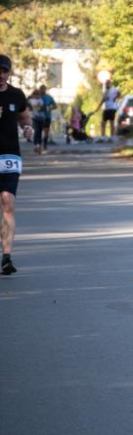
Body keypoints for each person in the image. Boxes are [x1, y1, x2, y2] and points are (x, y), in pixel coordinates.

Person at [0, 54, 34, 275]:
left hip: (10, 156)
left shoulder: (16, 95)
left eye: (5, 71)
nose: (1, 75)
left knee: (8, 203)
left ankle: (6, 257)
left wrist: (28, 128)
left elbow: (24, 117)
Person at [27, 87, 46, 154]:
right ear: (33, 94)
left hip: (41, 118)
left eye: (38, 94)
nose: (37, 95)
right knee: (36, 131)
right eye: (36, 94)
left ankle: (40, 146)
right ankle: (35, 145)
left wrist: (40, 108)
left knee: (40, 132)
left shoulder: (41, 100)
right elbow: (28, 108)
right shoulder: (30, 101)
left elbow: (43, 108)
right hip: (34, 118)